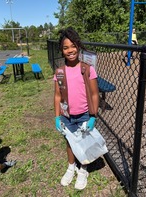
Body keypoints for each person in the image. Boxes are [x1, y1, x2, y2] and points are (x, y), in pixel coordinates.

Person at [53, 27, 100, 190]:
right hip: (67, 116)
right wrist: (57, 117)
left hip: (85, 115)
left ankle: (83, 169)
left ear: (78, 47)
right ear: (61, 50)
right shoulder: (59, 72)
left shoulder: (87, 69)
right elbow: (58, 96)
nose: (70, 50)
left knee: (85, 143)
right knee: (70, 142)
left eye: (73, 46)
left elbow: (94, 94)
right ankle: (71, 167)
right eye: (65, 47)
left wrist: (93, 115)